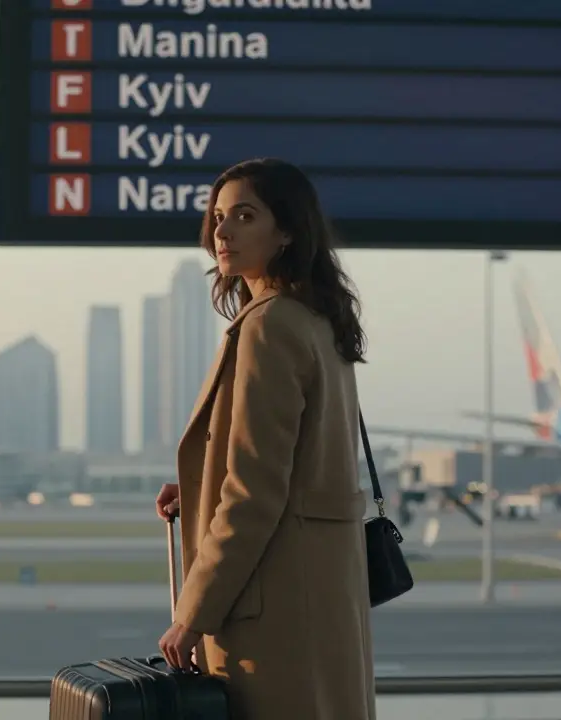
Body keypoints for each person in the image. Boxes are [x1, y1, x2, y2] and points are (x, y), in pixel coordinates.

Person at [155, 158, 376, 720]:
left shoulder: (269, 324)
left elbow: (256, 491)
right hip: (323, 599)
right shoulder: (319, 320)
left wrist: (193, 612)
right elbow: (303, 467)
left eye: (244, 216)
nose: (222, 231)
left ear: (286, 232)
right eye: (218, 216)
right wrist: (199, 487)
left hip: (273, 608)